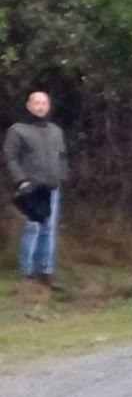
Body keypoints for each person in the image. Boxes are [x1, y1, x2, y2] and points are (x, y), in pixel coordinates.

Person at [5, 90, 67, 288]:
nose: (40, 107)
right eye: (36, 103)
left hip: (52, 188)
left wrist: (62, 176)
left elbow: (62, 157)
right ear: (28, 106)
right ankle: (27, 273)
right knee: (32, 228)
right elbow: (10, 157)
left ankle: (46, 272)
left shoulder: (56, 130)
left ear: (48, 106)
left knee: (49, 230)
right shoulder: (17, 130)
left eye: (44, 103)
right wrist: (20, 180)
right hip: (30, 188)